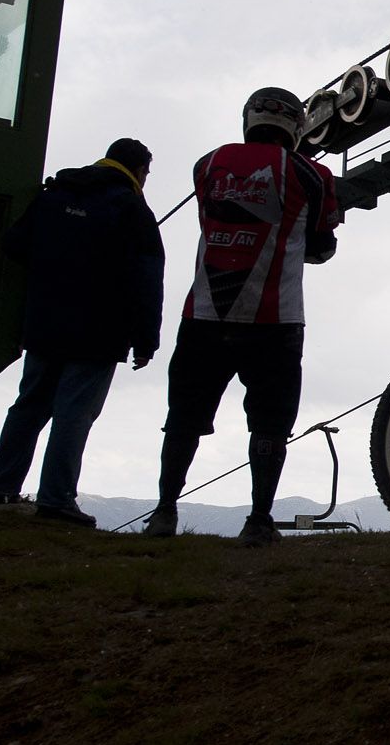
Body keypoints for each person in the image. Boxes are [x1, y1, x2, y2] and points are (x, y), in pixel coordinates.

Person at [144, 87, 341, 547]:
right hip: (276, 318)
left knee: (184, 417)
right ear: (297, 126)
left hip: (204, 313)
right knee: (271, 421)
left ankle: (164, 512)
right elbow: (323, 246)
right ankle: (258, 520)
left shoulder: (207, 164)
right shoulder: (313, 174)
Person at [0, 138, 164, 526]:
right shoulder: (131, 208)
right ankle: (56, 498)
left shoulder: (56, 193)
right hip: (99, 330)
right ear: (139, 170)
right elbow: (146, 278)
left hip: (44, 321)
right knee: (74, 413)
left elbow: (15, 244)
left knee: (30, 405)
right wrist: (146, 339)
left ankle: (0, 488)